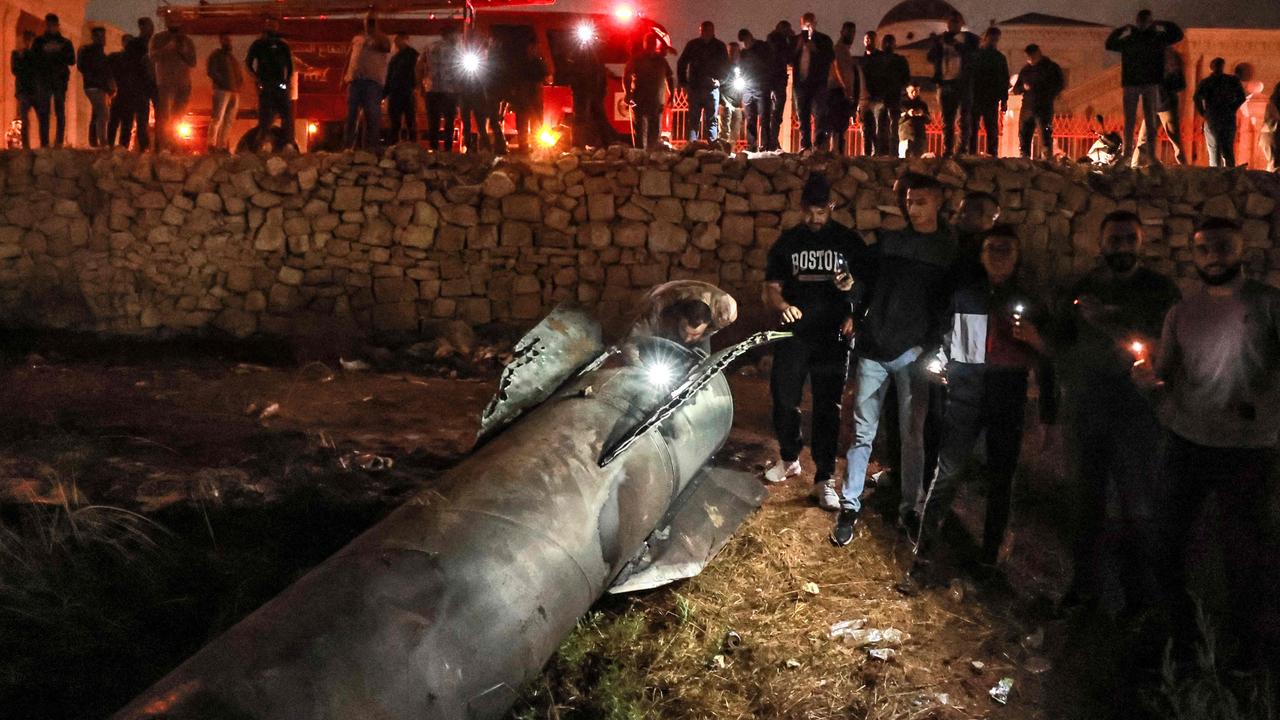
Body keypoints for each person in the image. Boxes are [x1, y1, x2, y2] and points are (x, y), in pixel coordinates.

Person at [1133, 217, 1280, 670]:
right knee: (1167, 544)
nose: (1213, 255)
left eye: (1222, 246)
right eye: (1203, 249)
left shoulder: (1269, 304)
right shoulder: (1182, 312)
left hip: (1249, 449)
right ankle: (1181, 640)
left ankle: (1247, 656)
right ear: (1193, 255)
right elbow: (1167, 373)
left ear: (1241, 249)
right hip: (1188, 442)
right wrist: (1147, 382)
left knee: (1246, 553)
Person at [901, 228, 1053, 592]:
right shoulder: (966, 296)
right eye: (992, 248)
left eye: (1007, 249)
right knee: (947, 474)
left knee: (1001, 480)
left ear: (1018, 256)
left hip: (1008, 398)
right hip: (966, 398)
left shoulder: (1030, 301)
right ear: (981, 254)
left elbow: (1050, 357)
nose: (999, 254)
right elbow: (958, 346)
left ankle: (988, 561)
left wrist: (1035, 340)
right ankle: (922, 558)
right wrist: (942, 363)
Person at [1055, 210, 1180, 614]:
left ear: (1142, 243)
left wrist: (1106, 321)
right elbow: (1062, 344)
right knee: (1084, 501)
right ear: (1101, 244)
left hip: (1136, 413)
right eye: (1115, 240)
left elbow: (1163, 344)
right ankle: (1084, 585)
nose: (1123, 247)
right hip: (1086, 408)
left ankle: (1138, 593)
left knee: (1136, 504)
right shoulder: (1081, 287)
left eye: (1130, 239)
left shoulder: (1160, 291)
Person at [835, 174, 956, 546]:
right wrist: (850, 293)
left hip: (912, 355)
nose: (913, 206)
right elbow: (861, 280)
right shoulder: (889, 243)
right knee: (862, 433)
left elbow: (947, 306)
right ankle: (850, 505)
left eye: (920, 199)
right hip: (874, 348)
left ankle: (910, 507)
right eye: (909, 199)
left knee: (912, 436)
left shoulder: (947, 251)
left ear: (937, 201)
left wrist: (931, 347)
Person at [763, 174, 870, 511]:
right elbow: (771, 287)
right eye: (809, 211)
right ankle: (790, 457)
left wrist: (856, 311)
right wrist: (783, 306)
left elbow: (866, 287)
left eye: (821, 212)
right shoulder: (788, 242)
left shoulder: (848, 241)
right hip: (794, 334)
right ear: (801, 208)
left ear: (832, 207)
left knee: (828, 406)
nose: (814, 219)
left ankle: (824, 478)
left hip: (832, 336)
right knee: (783, 397)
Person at [1106, 9, 1184, 163]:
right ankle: (1141, 156)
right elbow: (1177, 34)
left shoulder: (1134, 38)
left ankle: (1131, 154)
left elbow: (1110, 44)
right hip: (1146, 83)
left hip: (1139, 83)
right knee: (1146, 121)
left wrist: (1122, 30)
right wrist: (1161, 23)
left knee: (1140, 121)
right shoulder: (1156, 38)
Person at [926, 12, 978, 156]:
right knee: (947, 120)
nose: (953, 24)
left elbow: (974, 57)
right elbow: (930, 57)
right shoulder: (941, 40)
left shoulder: (970, 39)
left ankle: (962, 149)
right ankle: (947, 149)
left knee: (964, 117)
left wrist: (956, 45)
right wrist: (937, 44)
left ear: (961, 23)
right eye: (950, 22)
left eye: (956, 22)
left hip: (963, 83)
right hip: (944, 83)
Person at [245, 16, 295, 151]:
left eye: (274, 25)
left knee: (287, 116)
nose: (272, 28)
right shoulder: (258, 44)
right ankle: (263, 144)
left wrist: (287, 81)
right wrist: (257, 79)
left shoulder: (283, 45)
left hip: (280, 85)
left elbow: (290, 66)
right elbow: (248, 63)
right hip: (266, 85)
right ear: (266, 26)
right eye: (269, 25)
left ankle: (288, 144)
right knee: (265, 117)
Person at [344, 13, 391, 151]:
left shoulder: (383, 38)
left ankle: (371, 147)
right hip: (355, 80)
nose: (369, 24)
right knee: (351, 114)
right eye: (367, 21)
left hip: (372, 82)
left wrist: (375, 34)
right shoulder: (357, 39)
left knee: (371, 115)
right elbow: (348, 58)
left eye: (372, 22)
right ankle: (348, 147)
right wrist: (344, 77)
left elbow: (385, 47)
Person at [677, 21, 730, 143]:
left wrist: (719, 81)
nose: (705, 33)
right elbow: (682, 63)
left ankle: (711, 148)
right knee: (695, 119)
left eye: (707, 31)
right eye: (703, 31)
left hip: (709, 88)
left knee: (710, 120)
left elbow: (726, 67)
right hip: (696, 87)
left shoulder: (718, 46)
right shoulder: (694, 45)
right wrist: (683, 82)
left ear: (712, 31)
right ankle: (693, 147)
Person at [1135, 46, 1186, 166]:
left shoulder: (1170, 66)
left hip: (1165, 106)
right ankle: (1135, 166)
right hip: (1157, 107)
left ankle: (1183, 165)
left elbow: (1179, 84)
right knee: (1144, 138)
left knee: (1173, 138)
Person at [30, 13, 76, 149]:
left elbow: (72, 60)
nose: (51, 28)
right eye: (49, 25)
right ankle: (44, 143)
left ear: (57, 26)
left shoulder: (65, 42)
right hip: (44, 80)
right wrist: (45, 52)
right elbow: (33, 60)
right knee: (44, 111)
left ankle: (59, 142)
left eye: (53, 25)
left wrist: (58, 52)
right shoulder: (39, 42)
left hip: (60, 81)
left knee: (60, 111)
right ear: (46, 25)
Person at [151, 16, 196, 151]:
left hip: (183, 83)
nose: (174, 22)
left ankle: (175, 145)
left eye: (176, 20)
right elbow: (152, 56)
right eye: (171, 19)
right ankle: (164, 146)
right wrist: (167, 48)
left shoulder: (187, 40)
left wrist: (183, 51)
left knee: (179, 116)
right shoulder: (158, 38)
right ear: (166, 22)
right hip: (165, 83)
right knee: (165, 115)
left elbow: (193, 62)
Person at [1012, 45, 1064, 160]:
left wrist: (1047, 94)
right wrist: (1023, 88)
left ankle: (1047, 160)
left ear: (1038, 53)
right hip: (1027, 108)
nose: (1030, 59)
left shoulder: (1051, 68)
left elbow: (1059, 84)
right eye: (1028, 57)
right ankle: (1024, 159)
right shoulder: (1026, 69)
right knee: (1024, 136)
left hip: (1044, 107)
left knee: (1045, 135)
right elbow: (1016, 88)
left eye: (1032, 56)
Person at [792, 13, 835, 152]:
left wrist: (815, 49)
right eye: (805, 24)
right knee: (802, 114)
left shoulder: (824, 39)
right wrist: (799, 46)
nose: (808, 26)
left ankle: (819, 144)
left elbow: (830, 58)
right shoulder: (795, 40)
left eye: (810, 24)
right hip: (800, 84)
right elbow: (787, 59)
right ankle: (805, 145)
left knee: (819, 114)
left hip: (818, 84)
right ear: (801, 24)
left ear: (815, 24)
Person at [624, 32, 674, 151]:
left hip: (656, 100)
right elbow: (627, 76)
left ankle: (652, 153)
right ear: (644, 44)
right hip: (638, 100)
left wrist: (672, 94)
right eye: (649, 42)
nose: (651, 45)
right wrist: (628, 93)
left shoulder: (661, 61)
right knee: (640, 128)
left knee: (655, 129)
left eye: (653, 43)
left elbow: (669, 78)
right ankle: (639, 154)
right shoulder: (636, 59)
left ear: (656, 45)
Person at [1193, 57, 1246, 168]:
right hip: (1228, 117)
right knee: (1228, 149)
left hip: (1212, 117)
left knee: (1214, 149)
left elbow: (1196, 98)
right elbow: (1242, 97)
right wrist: (1232, 108)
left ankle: (1216, 175)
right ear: (1222, 66)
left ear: (1211, 68)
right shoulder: (1232, 81)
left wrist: (1204, 113)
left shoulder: (1206, 82)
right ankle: (1230, 175)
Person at [968, 27, 1009, 157]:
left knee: (990, 128)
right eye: (992, 39)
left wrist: (1004, 100)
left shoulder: (998, 58)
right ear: (986, 38)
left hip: (989, 97)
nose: (993, 42)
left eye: (996, 40)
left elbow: (1004, 79)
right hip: (977, 96)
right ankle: (973, 153)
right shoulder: (977, 56)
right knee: (974, 128)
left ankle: (990, 153)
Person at [564, 37, 612, 147]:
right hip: (583, 93)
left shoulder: (596, 58)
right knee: (582, 119)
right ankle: (579, 145)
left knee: (598, 118)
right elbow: (572, 73)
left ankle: (605, 144)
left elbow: (601, 74)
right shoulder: (577, 56)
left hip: (593, 92)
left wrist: (602, 89)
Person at [420, 26, 461, 152]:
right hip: (449, 90)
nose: (457, 38)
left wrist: (421, 84)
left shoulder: (430, 47)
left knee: (433, 121)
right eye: (456, 35)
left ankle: (434, 148)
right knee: (449, 121)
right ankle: (448, 149)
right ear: (450, 35)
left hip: (432, 89)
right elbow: (459, 71)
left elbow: (420, 65)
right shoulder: (455, 51)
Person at [737, 29, 775, 152]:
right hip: (748, 87)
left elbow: (769, 65)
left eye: (746, 41)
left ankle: (765, 145)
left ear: (750, 36)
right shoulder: (744, 53)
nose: (745, 44)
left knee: (764, 117)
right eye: (743, 42)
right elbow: (741, 68)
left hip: (762, 86)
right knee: (750, 117)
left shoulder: (763, 47)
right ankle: (751, 145)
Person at [824, 22, 859, 155]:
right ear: (842, 32)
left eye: (852, 32)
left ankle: (836, 152)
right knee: (837, 125)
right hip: (837, 91)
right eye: (848, 32)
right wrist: (846, 89)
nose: (851, 35)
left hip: (840, 92)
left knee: (840, 125)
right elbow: (838, 68)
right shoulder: (839, 49)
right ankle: (835, 152)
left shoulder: (844, 50)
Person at [206, 33, 245, 152]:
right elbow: (211, 71)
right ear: (221, 41)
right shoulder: (216, 55)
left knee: (229, 120)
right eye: (226, 40)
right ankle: (211, 144)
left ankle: (222, 145)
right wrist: (222, 82)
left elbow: (238, 73)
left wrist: (238, 85)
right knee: (217, 117)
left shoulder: (231, 58)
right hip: (221, 90)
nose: (228, 42)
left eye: (229, 40)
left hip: (234, 91)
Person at [508, 40, 548, 153]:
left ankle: (530, 145)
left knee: (530, 121)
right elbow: (544, 75)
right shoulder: (532, 63)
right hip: (528, 96)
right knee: (526, 121)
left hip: (529, 96)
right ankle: (527, 146)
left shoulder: (524, 63)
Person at [77, 27, 113, 148]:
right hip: (94, 86)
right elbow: (83, 67)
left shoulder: (101, 54)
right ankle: (102, 142)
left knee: (97, 113)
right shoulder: (89, 51)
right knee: (103, 113)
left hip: (98, 86)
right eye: (99, 36)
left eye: (103, 36)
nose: (102, 38)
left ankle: (94, 141)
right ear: (94, 37)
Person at [382, 33, 419, 144]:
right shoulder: (411, 55)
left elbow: (390, 77)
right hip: (403, 91)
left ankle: (396, 143)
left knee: (400, 121)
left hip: (400, 91)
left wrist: (384, 93)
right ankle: (410, 142)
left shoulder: (400, 58)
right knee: (406, 120)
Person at [764, 21, 795, 151]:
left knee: (770, 113)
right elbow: (789, 58)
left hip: (770, 81)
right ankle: (771, 141)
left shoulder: (769, 41)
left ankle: (769, 141)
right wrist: (792, 40)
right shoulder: (781, 43)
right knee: (776, 113)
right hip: (777, 81)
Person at [11, 31, 37, 150]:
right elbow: (16, 70)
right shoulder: (17, 54)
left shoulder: (34, 55)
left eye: (30, 40)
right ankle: (26, 145)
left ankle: (43, 142)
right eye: (26, 39)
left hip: (35, 89)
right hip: (23, 90)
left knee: (42, 116)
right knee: (24, 118)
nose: (28, 42)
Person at [898, 81, 930, 158]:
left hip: (920, 136)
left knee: (918, 161)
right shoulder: (901, 103)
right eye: (912, 91)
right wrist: (907, 114)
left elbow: (928, 120)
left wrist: (923, 114)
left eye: (917, 91)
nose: (914, 93)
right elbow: (896, 119)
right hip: (906, 135)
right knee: (905, 158)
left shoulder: (922, 104)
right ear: (907, 90)